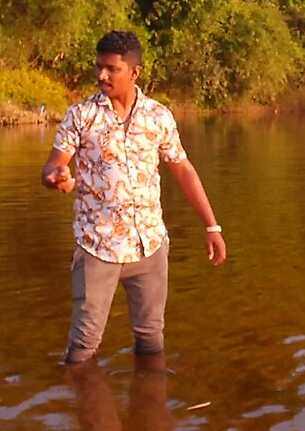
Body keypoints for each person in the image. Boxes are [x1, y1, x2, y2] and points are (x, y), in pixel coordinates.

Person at [41, 30, 227, 364]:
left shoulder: (158, 117)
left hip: (150, 245)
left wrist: (212, 227)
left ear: (134, 72)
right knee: (83, 344)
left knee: (151, 337)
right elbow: (54, 166)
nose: (101, 75)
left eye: (111, 69)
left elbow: (183, 169)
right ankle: (82, 407)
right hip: (98, 247)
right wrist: (57, 178)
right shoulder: (81, 116)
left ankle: (151, 409)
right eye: (99, 67)